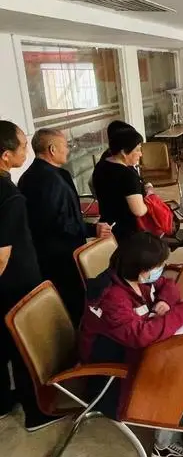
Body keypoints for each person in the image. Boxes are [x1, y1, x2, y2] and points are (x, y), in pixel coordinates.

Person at [79, 232, 183, 457]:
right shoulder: (112, 298)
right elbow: (139, 336)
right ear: (141, 270)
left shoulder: (132, 277)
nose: (160, 271)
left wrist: (163, 302)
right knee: (171, 368)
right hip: (112, 371)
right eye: (158, 267)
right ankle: (164, 446)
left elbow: (167, 284)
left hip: (131, 349)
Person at [0, 121, 62, 432]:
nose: (26, 151)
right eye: (23, 146)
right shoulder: (8, 195)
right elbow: (2, 254)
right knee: (24, 347)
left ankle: (2, 402)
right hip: (14, 282)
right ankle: (36, 412)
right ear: (5, 155)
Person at [18, 129, 113, 324]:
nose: (68, 150)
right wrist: (92, 229)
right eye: (65, 146)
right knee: (73, 301)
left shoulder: (32, 175)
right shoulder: (50, 181)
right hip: (60, 254)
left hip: (47, 251)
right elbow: (60, 223)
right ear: (52, 149)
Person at [92, 126, 148, 243]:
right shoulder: (127, 175)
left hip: (107, 228)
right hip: (127, 232)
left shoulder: (101, 166)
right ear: (123, 152)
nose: (141, 154)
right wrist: (149, 200)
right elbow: (139, 210)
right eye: (137, 150)